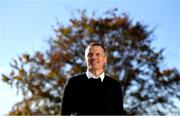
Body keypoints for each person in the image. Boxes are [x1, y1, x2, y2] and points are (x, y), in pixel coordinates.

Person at [61, 42, 123, 115]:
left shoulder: (115, 86)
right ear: (85, 59)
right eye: (90, 55)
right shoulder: (73, 83)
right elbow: (64, 113)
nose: (93, 57)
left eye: (97, 54)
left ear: (105, 59)